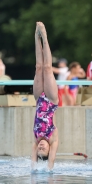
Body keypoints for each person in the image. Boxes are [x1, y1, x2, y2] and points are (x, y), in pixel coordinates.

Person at [32, 22, 59, 170]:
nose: (41, 146)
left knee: (38, 67)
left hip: (38, 100)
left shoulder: (36, 140)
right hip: (51, 100)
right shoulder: (53, 139)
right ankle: (45, 37)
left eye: (39, 149)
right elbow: (51, 162)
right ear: (49, 149)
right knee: (47, 68)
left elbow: (32, 163)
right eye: (44, 149)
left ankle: (37, 36)